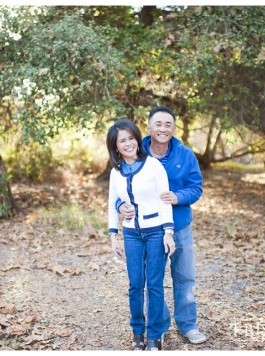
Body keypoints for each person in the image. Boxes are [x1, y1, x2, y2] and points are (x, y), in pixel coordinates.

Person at [118, 106, 207, 344]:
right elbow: (119, 185)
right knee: (152, 280)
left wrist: (179, 197)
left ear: (174, 129)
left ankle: (188, 325)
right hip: (147, 230)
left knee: (184, 276)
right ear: (148, 127)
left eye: (168, 124)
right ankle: (160, 325)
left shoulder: (185, 154)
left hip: (179, 227)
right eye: (158, 124)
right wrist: (120, 206)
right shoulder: (136, 151)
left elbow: (196, 187)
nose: (163, 129)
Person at [106, 118, 176, 350]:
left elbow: (165, 199)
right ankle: (138, 332)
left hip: (156, 231)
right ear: (116, 146)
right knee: (135, 284)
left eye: (130, 138)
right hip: (132, 234)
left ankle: (155, 336)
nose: (128, 144)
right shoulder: (116, 172)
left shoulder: (153, 165)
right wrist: (113, 236)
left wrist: (168, 232)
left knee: (154, 285)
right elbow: (112, 202)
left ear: (137, 139)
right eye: (121, 141)